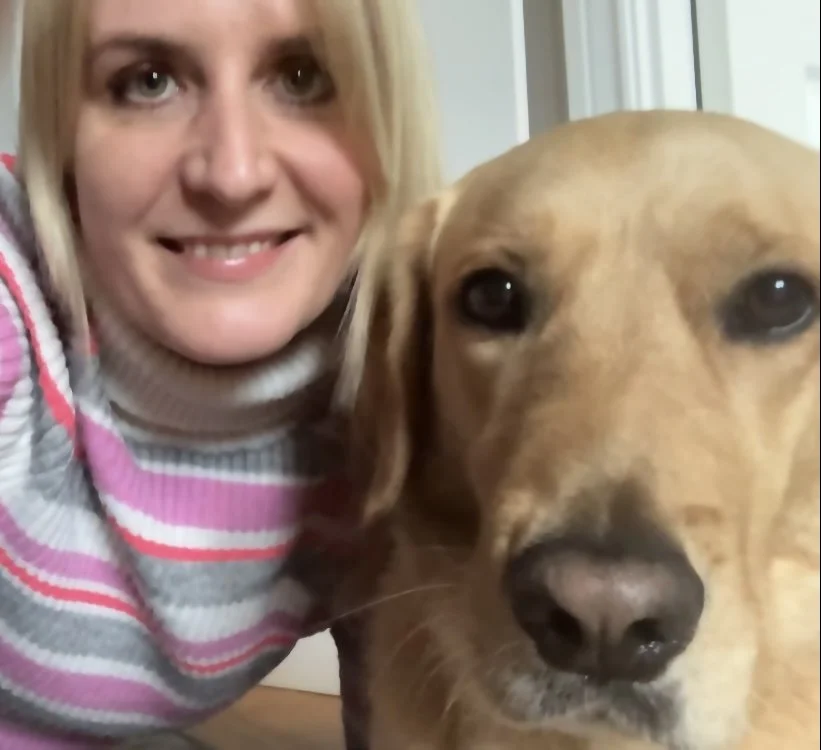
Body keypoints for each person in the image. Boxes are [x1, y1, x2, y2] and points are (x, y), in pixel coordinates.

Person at [0, 0, 441, 747]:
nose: (232, 175)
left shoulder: (408, 379)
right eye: (146, 81)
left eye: (303, 76)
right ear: (63, 132)